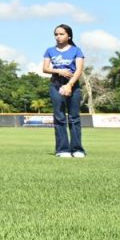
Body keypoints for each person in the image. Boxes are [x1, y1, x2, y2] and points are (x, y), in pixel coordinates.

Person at [42, 24, 86, 158]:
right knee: (59, 118)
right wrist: (59, 70)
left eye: (61, 34)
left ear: (69, 36)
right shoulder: (50, 50)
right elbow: (45, 68)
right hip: (56, 84)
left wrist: (69, 85)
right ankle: (62, 150)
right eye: (56, 34)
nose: (58, 37)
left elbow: (79, 70)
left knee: (74, 118)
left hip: (73, 85)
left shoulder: (76, 50)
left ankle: (77, 149)